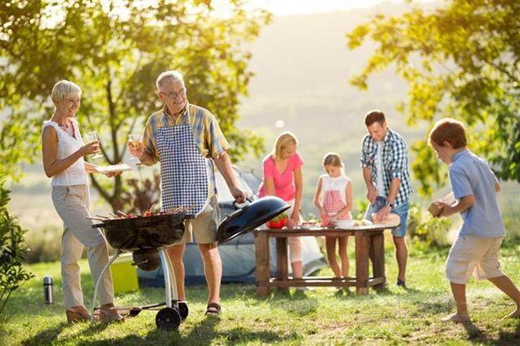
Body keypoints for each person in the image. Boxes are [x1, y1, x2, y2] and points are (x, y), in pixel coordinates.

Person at [128, 70, 246, 317]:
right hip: (172, 197)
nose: (179, 96)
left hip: (202, 195)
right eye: (172, 93)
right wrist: (140, 154)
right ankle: (179, 302)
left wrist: (235, 187)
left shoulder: (202, 116)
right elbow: (150, 157)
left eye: (181, 91)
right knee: (174, 252)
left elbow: (220, 155)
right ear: (161, 95)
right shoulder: (154, 122)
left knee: (208, 248)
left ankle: (213, 301)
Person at [41, 80, 124, 324]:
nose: (75, 106)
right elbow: (50, 169)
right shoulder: (51, 130)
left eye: (78, 101)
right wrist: (80, 152)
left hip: (81, 190)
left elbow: (77, 164)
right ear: (58, 101)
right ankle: (107, 306)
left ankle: (75, 308)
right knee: (97, 242)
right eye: (70, 101)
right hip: (65, 193)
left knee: (71, 252)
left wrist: (101, 169)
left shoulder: (73, 124)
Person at [428, 118, 520, 322]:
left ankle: (462, 314)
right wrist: (447, 199)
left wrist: (446, 211)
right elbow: (495, 187)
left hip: (475, 230)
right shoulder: (478, 161)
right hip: (495, 229)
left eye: (438, 151)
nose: (438, 156)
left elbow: (467, 200)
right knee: (490, 269)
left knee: (454, 267)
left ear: (448, 145)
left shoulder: (456, 168)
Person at [360, 110, 413, 287]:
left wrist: (389, 204)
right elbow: (366, 166)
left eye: (377, 131)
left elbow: (396, 177)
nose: (373, 136)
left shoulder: (397, 143)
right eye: (370, 132)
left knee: (398, 239)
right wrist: (370, 188)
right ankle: (379, 277)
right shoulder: (368, 141)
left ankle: (401, 279)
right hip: (378, 197)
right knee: (366, 234)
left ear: (385, 125)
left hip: (397, 198)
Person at [258, 131, 304, 279]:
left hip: (289, 200)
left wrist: (295, 212)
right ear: (280, 148)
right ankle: (275, 278)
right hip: (271, 202)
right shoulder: (268, 162)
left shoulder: (295, 158)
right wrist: (284, 219)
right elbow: (272, 197)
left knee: (295, 238)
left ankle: (299, 280)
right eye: (289, 152)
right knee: (272, 238)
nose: (292, 155)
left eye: (294, 152)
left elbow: (299, 186)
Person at [313, 153, 353, 278]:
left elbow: (349, 206)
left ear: (339, 166)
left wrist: (336, 216)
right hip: (328, 221)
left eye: (333, 170)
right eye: (327, 170)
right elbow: (316, 200)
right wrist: (322, 209)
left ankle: (345, 280)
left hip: (343, 221)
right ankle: (338, 278)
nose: (330, 173)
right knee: (330, 254)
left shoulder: (346, 182)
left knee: (342, 251)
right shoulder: (323, 179)